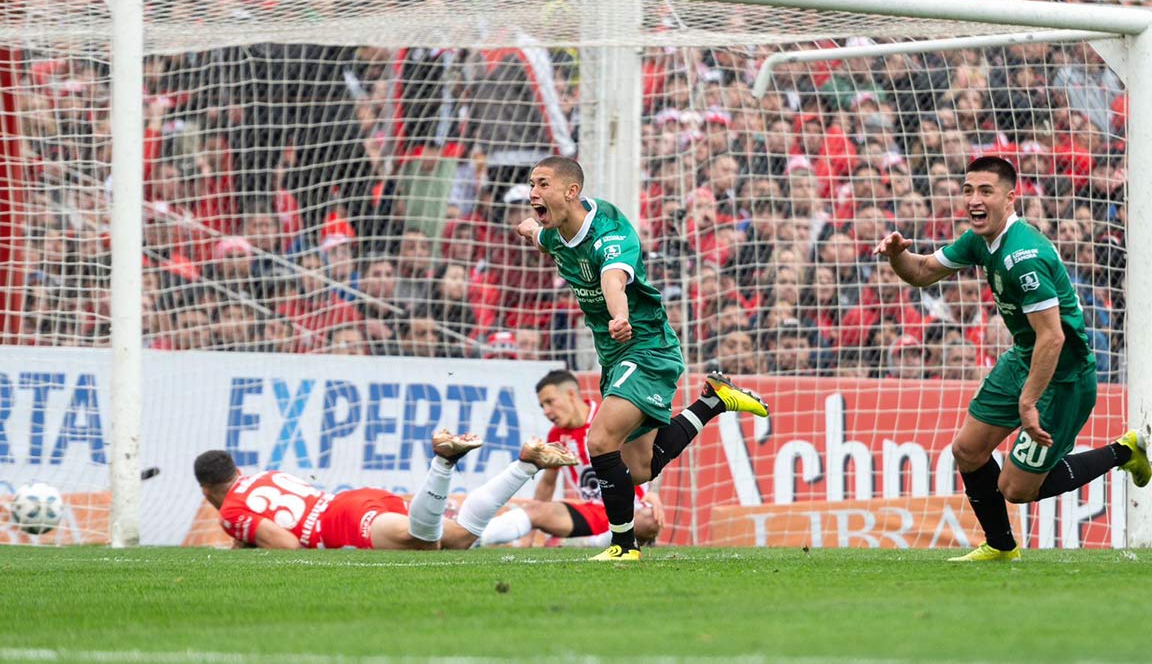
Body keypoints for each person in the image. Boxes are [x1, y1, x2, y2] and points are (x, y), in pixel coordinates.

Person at [873, 156, 1152, 562]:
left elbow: (1053, 337)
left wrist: (1027, 402)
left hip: (1063, 377)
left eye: (985, 191)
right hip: (1025, 358)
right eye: (969, 190)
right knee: (968, 451)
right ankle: (1001, 547)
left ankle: (1125, 452)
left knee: (1016, 489)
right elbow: (921, 272)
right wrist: (897, 254)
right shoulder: (978, 240)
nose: (974, 199)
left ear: (1010, 198)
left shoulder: (1024, 257)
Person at [515, 156, 768, 561]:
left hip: (646, 345)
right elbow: (539, 236)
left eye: (542, 184)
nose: (532, 193)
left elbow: (612, 279)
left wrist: (619, 316)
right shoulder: (555, 233)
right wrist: (529, 229)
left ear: (571, 191)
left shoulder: (611, 233)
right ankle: (713, 401)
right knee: (639, 469)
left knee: (599, 441)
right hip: (616, 354)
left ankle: (624, 546)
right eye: (531, 184)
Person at [193, 430, 578, 550]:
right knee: (458, 538)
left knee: (423, 543)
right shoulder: (263, 475)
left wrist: (247, 543)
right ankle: (525, 464)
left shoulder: (230, 510)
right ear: (237, 470)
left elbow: (287, 545)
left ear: (208, 490)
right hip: (354, 500)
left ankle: (443, 462)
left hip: (343, 523)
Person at [479, 370, 664, 548]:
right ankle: (471, 536)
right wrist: (529, 537)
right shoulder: (557, 436)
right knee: (535, 510)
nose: (546, 411)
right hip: (594, 512)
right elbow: (548, 484)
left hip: (631, 508)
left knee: (648, 519)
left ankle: (590, 543)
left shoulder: (608, 419)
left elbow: (643, 454)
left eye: (550, 402)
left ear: (570, 394)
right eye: (542, 406)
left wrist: (651, 491)